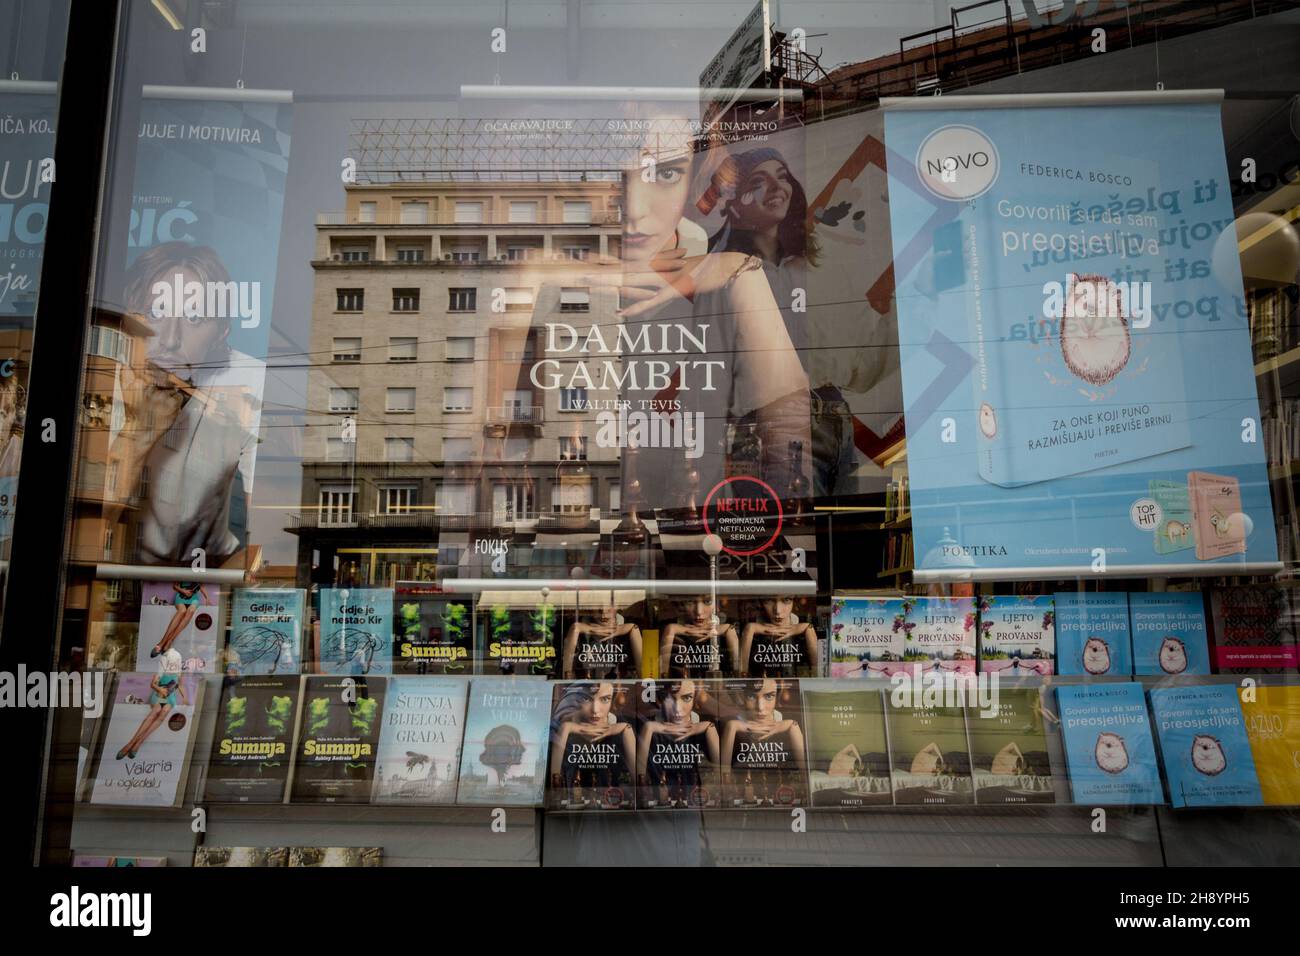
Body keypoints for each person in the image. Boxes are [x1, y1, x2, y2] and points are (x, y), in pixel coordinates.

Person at [586, 113, 812, 515]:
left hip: (713, 538)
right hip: (634, 534)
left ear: (694, 184)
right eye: (621, 180)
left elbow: (787, 437)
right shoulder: (585, 281)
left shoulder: (734, 276)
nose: (634, 208)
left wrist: (762, 540)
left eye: (666, 174)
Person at [704, 146, 856, 498]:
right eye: (758, 181)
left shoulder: (812, 266)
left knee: (845, 541)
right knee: (792, 543)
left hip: (835, 418)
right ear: (735, 203)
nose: (776, 187)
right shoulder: (724, 271)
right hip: (770, 425)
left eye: (782, 176)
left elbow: (856, 355)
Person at [115, 241, 264, 568]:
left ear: (221, 332)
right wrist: (141, 433)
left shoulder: (242, 392)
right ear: (130, 314)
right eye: (156, 312)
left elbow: (258, 537)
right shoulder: (98, 375)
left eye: (194, 317)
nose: (169, 338)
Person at [721, 677, 805, 806]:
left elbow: (805, 773)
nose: (760, 707)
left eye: (769, 697)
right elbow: (724, 778)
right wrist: (732, 727)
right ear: (742, 697)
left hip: (783, 796)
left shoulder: (790, 724)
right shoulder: (734, 725)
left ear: (778, 697)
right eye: (751, 697)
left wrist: (791, 726)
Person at [548, 681, 634, 807]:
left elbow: (638, 779)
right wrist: (569, 727)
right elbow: (554, 781)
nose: (595, 710)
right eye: (586, 699)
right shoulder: (564, 723)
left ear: (612, 701)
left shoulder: (616, 723)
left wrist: (626, 729)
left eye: (605, 699)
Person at [637, 678, 719, 808]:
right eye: (670, 699)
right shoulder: (650, 729)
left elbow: (721, 776)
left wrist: (710, 728)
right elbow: (639, 779)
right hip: (659, 810)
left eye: (687, 698)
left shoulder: (704, 729)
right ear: (660, 701)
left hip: (696, 807)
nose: (678, 709)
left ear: (695, 701)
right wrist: (649, 728)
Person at [116, 649, 188, 760]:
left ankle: (139, 742)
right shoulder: (161, 669)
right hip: (158, 695)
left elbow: (181, 685)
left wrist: (185, 697)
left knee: (163, 712)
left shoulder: (179, 673)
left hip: (170, 697)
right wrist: (160, 689)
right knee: (156, 711)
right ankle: (130, 744)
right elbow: (152, 685)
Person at [659, 593, 736, 679]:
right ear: (682, 605)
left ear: (717, 605)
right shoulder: (667, 626)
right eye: (690, 601)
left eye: (707, 601)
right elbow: (662, 678)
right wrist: (671, 629)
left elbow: (739, 676)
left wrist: (728, 630)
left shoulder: (729, 626)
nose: (699, 611)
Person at [739, 595, 819, 676]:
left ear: (794, 602)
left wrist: (809, 630)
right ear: (761, 603)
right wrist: (749, 630)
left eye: (787, 599)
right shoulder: (750, 628)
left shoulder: (806, 625)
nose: (778, 610)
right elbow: (740, 679)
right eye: (769, 600)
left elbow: (819, 676)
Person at [562, 599, 642, 679]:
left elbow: (644, 677)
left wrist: (632, 630)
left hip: (621, 689)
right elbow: (565, 679)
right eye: (597, 603)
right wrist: (576, 629)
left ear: (618, 604)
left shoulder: (633, 626)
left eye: (610, 603)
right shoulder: (571, 625)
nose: (603, 611)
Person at [149, 581, 209, 658]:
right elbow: (174, 586)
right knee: (182, 611)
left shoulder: (198, 571)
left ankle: (170, 640)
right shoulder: (183, 570)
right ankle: (162, 642)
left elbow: (201, 586)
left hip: (194, 597)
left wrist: (207, 597)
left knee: (191, 611)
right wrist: (183, 591)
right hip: (181, 595)